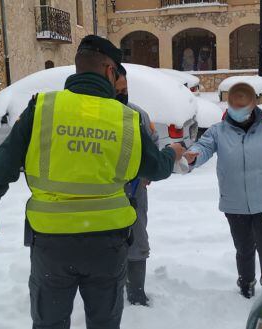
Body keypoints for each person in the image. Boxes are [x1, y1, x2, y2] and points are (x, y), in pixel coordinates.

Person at [0, 35, 186, 329]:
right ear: (111, 71)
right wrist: (172, 152)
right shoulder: (126, 118)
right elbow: (156, 169)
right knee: (104, 323)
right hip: (108, 245)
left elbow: (3, 163)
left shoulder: (43, 107)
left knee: (49, 323)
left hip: (51, 244)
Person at [184, 82, 262, 299]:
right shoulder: (218, 131)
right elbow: (203, 148)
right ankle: (246, 283)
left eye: (242, 107)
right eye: (233, 105)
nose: (236, 111)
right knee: (244, 248)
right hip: (234, 202)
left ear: (253, 106)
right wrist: (193, 154)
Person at [115, 65, 158, 306]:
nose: (123, 94)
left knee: (137, 240)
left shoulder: (137, 115)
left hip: (135, 193)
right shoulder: (94, 118)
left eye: (126, 89)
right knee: (106, 244)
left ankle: (136, 292)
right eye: (118, 90)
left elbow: (153, 143)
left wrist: (148, 172)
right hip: (103, 194)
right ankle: (112, 288)